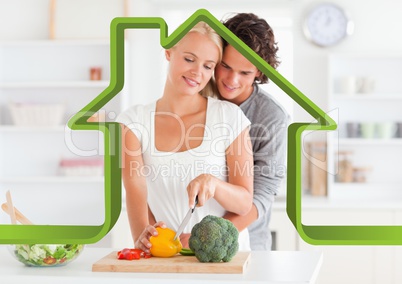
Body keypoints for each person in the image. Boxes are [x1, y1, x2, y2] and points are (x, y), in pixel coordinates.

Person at [116, 21, 254, 253]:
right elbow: (136, 195)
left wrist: (214, 184)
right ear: (169, 53)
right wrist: (146, 240)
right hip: (169, 258)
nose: (197, 73)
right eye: (189, 59)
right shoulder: (134, 121)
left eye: (208, 66)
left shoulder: (229, 117)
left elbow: (244, 203)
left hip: (228, 261)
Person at [215, 13, 289, 250]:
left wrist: (210, 234)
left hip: (248, 243)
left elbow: (264, 190)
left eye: (245, 73)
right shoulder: (196, 97)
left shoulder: (271, 116)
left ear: (259, 71)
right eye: (225, 66)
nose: (231, 79)